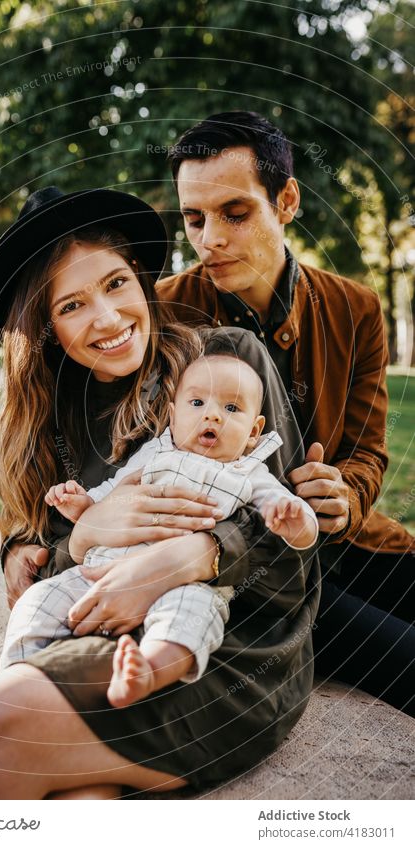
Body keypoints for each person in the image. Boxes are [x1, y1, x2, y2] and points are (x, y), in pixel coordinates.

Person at [0, 186, 320, 799]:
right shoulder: (53, 425)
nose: (108, 319)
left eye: (116, 284)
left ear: (141, 278)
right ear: (46, 328)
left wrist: (201, 552)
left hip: (222, 649)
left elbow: (295, 558)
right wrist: (85, 534)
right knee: (77, 799)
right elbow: (44, 564)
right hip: (95, 641)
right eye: (73, 305)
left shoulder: (226, 362)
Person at [155, 110, 415, 716]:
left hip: (350, 544)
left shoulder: (357, 309)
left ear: (287, 200)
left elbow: (368, 451)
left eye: (234, 213)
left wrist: (345, 493)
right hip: (256, 576)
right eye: (194, 219)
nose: (209, 238)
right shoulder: (165, 315)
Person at [0, 352, 318, 714]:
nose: (212, 414)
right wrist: (82, 507)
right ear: (172, 415)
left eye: (232, 409)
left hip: (187, 583)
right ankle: (7, 682)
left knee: (192, 616)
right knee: (38, 602)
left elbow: (292, 526)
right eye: (197, 402)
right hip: (103, 570)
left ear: (254, 432)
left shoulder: (249, 472)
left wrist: (297, 523)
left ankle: (148, 670)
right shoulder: (154, 454)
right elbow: (110, 491)